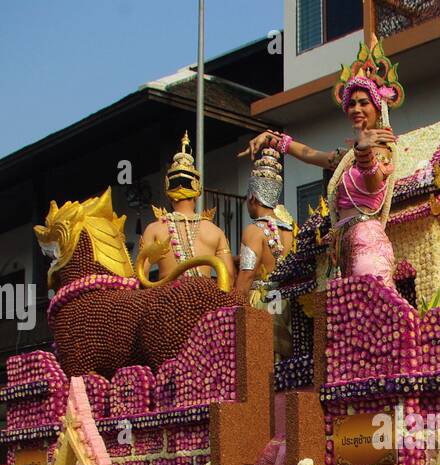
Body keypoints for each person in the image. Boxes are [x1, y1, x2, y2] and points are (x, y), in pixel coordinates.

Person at [242, 36, 402, 286]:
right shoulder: (345, 158)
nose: (356, 108)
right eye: (351, 104)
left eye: (363, 103)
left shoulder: (383, 151)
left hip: (367, 240)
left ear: (378, 108)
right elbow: (308, 153)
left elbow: (373, 184)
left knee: (373, 313)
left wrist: (364, 151)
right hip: (342, 245)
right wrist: (270, 138)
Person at [139, 133, 236, 287]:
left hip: (166, 302)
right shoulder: (215, 232)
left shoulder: (155, 229)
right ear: (198, 191)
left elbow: (140, 277)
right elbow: (229, 278)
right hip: (207, 302)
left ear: (168, 191)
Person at [233, 146, 295, 311]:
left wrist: (233, 312)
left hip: (262, 304)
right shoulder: (291, 230)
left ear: (252, 197)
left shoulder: (254, 230)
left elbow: (247, 275)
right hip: (286, 305)